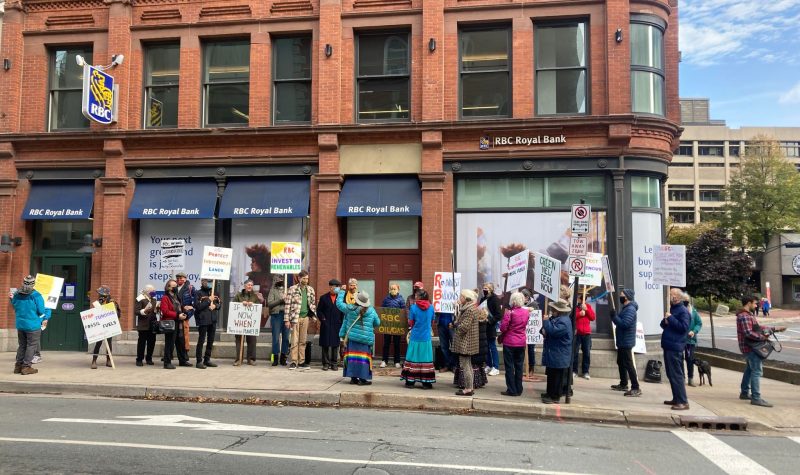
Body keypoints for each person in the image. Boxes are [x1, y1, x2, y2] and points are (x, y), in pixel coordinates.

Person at [737, 295, 787, 407]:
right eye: (755, 303)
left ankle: (744, 393)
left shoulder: (747, 315)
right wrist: (763, 338)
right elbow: (748, 333)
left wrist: (774, 329)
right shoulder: (745, 316)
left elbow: (758, 328)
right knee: (757, 371)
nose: (756, 306)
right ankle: (756, 398)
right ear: (749, 303)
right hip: (751, 348)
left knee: (750, 370)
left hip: (748, 347)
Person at [337, 288, 380, 385]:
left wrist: (342, 292)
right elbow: (377, 323)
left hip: (352, 339)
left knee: (352, 358)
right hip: (365, 339)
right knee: (363, 359)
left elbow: (339, 304)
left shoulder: (350, 309)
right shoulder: (371, 310)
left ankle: (353, 378)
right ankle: (362, 379)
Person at [11, 275, 51, 375]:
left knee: (22, 345)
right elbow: (41, 310)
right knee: (31, 346)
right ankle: (26, 367)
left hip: (20, 324)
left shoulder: (16, 294)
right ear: (33, 284)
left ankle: (18, 366)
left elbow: (14, 305)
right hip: (33, 324)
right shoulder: (36, 295)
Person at [662, 287, 691, 411]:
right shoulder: (673, 310)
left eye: (671, 294)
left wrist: (671, 318)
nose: (669, 296)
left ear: (678, 297)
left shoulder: (683, 311)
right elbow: (664, 325)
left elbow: (684, 327)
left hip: (675, 346)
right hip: (669, 345)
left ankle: (683, 401)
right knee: (671, 374)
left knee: (676, 374)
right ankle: (676, 398)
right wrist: (666, 320)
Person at [401, 289, 436, 389]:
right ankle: (426, 383)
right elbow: (432, 321)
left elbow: (411, 322)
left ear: (420, 297)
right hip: (426, 337)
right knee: (425, 358)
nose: (415, 297)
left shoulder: (414, 308)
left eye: (416, 295)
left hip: (415, 336)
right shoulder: (431, 308)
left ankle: (410, 382)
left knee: (413, 358)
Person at [541, 298, 573, 404]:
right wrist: (544, 328)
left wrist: (546, 322)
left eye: (553, 309)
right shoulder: (557, 319)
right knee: (551, 375)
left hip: (559, 354)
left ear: (558, 311)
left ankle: (555, 396)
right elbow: (546, 329)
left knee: (556, 377)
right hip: (554, 352)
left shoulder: (564, 321)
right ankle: (549, 393)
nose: (551, 311)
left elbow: (553, 331)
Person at [610, 289, 641, 397]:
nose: (620, 296)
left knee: (628, 364)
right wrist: (614, 317)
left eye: (622, 295)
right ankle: (623, 383)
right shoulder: (626, 308)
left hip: (626, 341)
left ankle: (636, 387)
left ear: (627, 297)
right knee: (621, 362)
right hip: (622, 340)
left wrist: (614, 317)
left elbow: (624, 324)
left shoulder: (630, 309)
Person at [451, 289, 481, 396]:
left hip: (466, 343)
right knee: (467, 365)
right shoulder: (468, 308)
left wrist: (455, 326)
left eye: (461, 297)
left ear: (466, 298)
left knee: (466, 366)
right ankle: (469, 387)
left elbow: (464, 327)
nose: (460, 298)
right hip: (467, 342)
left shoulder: (470, 310)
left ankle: (468, 388)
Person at [499, 292, 530, 397]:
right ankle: (519, 388)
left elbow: (503, 328)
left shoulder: (510, 313)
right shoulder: (526, 313)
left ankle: (511, 389)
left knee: (509, 366)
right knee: (519, 366)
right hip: (521, 342)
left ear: (513, 301)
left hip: (510, 342)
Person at [286, 270, 317, 369]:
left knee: (303, 340)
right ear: (299, 278)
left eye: (307, 278)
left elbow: (312, 304)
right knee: (294, 340)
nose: (306, 280)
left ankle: (301, 361)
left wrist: (313, 315)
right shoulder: (292, 289)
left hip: (305, 317)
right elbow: (288, 305)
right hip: (295, 318)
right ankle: (294, 361)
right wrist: (287, 320)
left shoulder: (310, 290)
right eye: (304, 278)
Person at [90, 286, 121, 369]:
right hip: (99, 326)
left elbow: (117, 314)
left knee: (109, 343)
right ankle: (94, 361)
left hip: (108, 326)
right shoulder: (98, 302)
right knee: (98, 343)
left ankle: (108, 360)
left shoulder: (112, 302)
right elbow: (94, 314)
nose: (99, 295)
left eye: (100, 293)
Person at [233, 279, 262, 366]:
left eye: (251, 285)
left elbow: (258, 307)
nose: (250, 286)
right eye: (248, 285)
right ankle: (239, 359)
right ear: (244, 286)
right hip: (240, 322)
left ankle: (251, 359)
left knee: (252, 341)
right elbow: (233, 305)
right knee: (239, 341)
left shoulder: (255, 296)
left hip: (251, 323)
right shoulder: (238, 295)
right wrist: (241, 303)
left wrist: (253, 304)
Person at [317, 279, 344, 371]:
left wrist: (341, 321)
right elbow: (319, 311)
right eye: (335, 287)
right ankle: (325, 363)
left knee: (335, 345)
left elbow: (343, 311)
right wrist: (323, 319)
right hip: (326, 324)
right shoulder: (323, 298)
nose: (337, 289)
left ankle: (334, 363)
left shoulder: (340, 298)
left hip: (337, 324)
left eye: (338, 287)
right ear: (331, 287)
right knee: (325, 344)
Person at [194, 279, 220, 369]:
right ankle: (199, 361)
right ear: (202, 282)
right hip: (203, 320)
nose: (209, 283)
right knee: (201, 341)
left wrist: (215, 306)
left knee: (210, 341)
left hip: (213, 320)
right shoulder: (198, 293)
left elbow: (219, 304)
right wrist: (209, 300)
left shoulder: (214, 292)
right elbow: (198, 307)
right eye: (207, 281)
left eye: (210, 281)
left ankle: (207, 359)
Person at [380, 283, 405, 368]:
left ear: (398, 290)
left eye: (394, 289)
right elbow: (382, 310)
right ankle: (384, 360)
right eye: (391, 289)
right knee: (386, 343)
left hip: (397, 327)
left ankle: (397, 361)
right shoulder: (386, 299)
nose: (393, 290)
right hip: (387, 326)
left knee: (397, 344)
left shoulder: (401, 300)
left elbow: (403, 312)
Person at [160, 279, 183, 370]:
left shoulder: (176, 297)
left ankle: (181, 360)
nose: (176, 288)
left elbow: (179, 308)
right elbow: (165, 311)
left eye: (176, 286)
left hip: (178, 322)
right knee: (169, 343)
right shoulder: (165, 298)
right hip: (170, 323)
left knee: (177, 342)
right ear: (168, 287)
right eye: (174, 286)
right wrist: (177, 315)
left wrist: (183, 313)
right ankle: (167, 362)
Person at [174, 272, 196, 367]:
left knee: (183, 338)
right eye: (178, 278)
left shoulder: (190, 288)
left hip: (184, 317)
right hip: (174, 316)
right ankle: (169, 356)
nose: (179, 279)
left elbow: (195, 303)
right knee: (173, 338)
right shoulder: (172, 288)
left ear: (185, 279)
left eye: (181, 278)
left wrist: (187, 314)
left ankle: (184, 358)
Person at [480, 283, 502, 377]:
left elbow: (499, 315)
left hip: (491, 326)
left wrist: (490, 320)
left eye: (486, 288)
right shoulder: (482, 299)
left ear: (491, 290)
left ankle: (496, 367)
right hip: (483, 326)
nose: (484, 290)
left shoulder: (495, 299)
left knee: (492, 347)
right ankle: (488, 365)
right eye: (483, 288)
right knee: (486, 347)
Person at [573, 295, 596, 380]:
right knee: (574, 353)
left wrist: (586, 310)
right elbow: (572, 317)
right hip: (577, 333)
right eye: (580, 298)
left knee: (586, 353)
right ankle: (574, 371)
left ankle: (585, 371)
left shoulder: (588, 306)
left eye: (583, 299)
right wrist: (579, 314)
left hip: (586, 333)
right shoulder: (575, 307)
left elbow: (593, 318)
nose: (582, 300)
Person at [134, 285, 158, 367]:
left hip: (152, 324)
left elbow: (154, 310)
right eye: (152, 290)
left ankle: (149, 358)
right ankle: (139, 359)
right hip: (143, 324)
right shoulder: (140, 298)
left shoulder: (154, 299)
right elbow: (136, 311)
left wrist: (157, 309)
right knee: (142, 342)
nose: (154, 292)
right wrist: (144, 311)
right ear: (147, 292)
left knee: (152, 342)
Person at [267, 277, 289, 367]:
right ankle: (275, 357)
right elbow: (270, 303)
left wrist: (287, 299)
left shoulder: (287, 290)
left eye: (281, 279)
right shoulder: (272, 291)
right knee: (275, 337)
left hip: (286, 314)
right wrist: (280, 300)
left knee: (286, 337)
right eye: (278, 280)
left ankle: (283, 357)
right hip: (276, 315)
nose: (280, 281)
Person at [684, 293, 702, 386]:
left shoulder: (693, 312)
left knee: (690, 359)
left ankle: (690, 378)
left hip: (690, 340)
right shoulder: (678, 310)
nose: (685, 301)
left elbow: (699, 323)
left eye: (687, 299)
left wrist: (694, 331)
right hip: (680, 340)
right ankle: (681, 378)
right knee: (679, 359)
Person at [521, 288, 539, 374]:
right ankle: (523, 367)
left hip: (531, 331)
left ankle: (531, 367)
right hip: (522, 330)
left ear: (527, 297)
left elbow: (536, 317)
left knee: (531, 349)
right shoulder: (520, 304)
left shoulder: (534, 304)